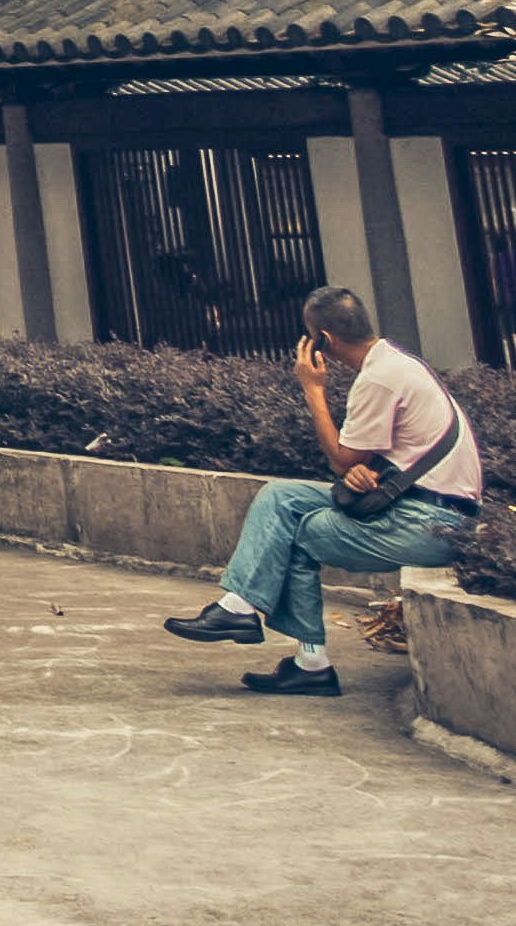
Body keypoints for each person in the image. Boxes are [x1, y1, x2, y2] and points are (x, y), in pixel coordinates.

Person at [166, 286, 484, 695]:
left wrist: (312, 390)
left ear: (323, 341)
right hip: (413, 501)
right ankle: (239, 607)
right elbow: (368, 460)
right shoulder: (396, 364)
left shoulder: (379, 379)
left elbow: (340, 458)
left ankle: (311, 663)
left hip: (432, 522)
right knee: (281, 496)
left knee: (305, 532)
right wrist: (361, 473)